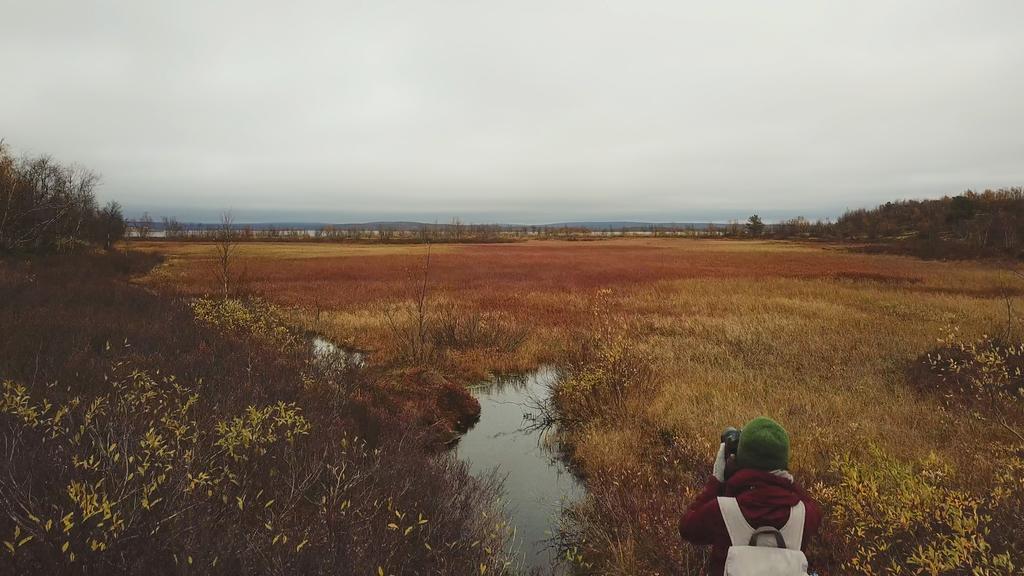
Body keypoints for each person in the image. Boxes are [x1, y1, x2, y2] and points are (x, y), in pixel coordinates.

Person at [678, 417, 822, 576]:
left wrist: (717, 480)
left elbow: (687, 527)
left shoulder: (721, 512)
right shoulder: (805, 515)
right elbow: (810, 505)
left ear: (739, 460)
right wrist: (787, 482)